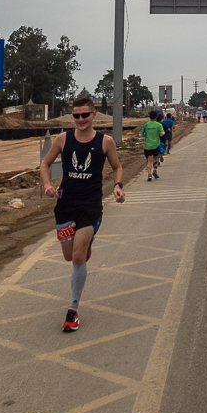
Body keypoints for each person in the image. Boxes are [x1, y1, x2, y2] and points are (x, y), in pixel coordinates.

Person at [40, 96, 125, 333]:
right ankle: (83, 246)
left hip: (90, 205)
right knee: (70, 256)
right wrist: (47, 185)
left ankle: (72, 310)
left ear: (93, 115)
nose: (80, 119)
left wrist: (118, 186)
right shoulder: (62, 139)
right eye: (76, 115)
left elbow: (117, 167)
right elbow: (45, 164)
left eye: (84, 115)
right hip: (65, 205)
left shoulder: (105, 142)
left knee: (78, 256)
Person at [141, 110, 165, 181]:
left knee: (149, 160)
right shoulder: (159, 125)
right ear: (156, 117)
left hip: (147, 145)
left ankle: (149, 174)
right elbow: (163, 133)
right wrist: (159, 134)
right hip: (156, 144)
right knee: (155, 158)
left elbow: (140, 134)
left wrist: (145, 134)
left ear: (149, 117)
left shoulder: (146, 125)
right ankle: (155, 169)